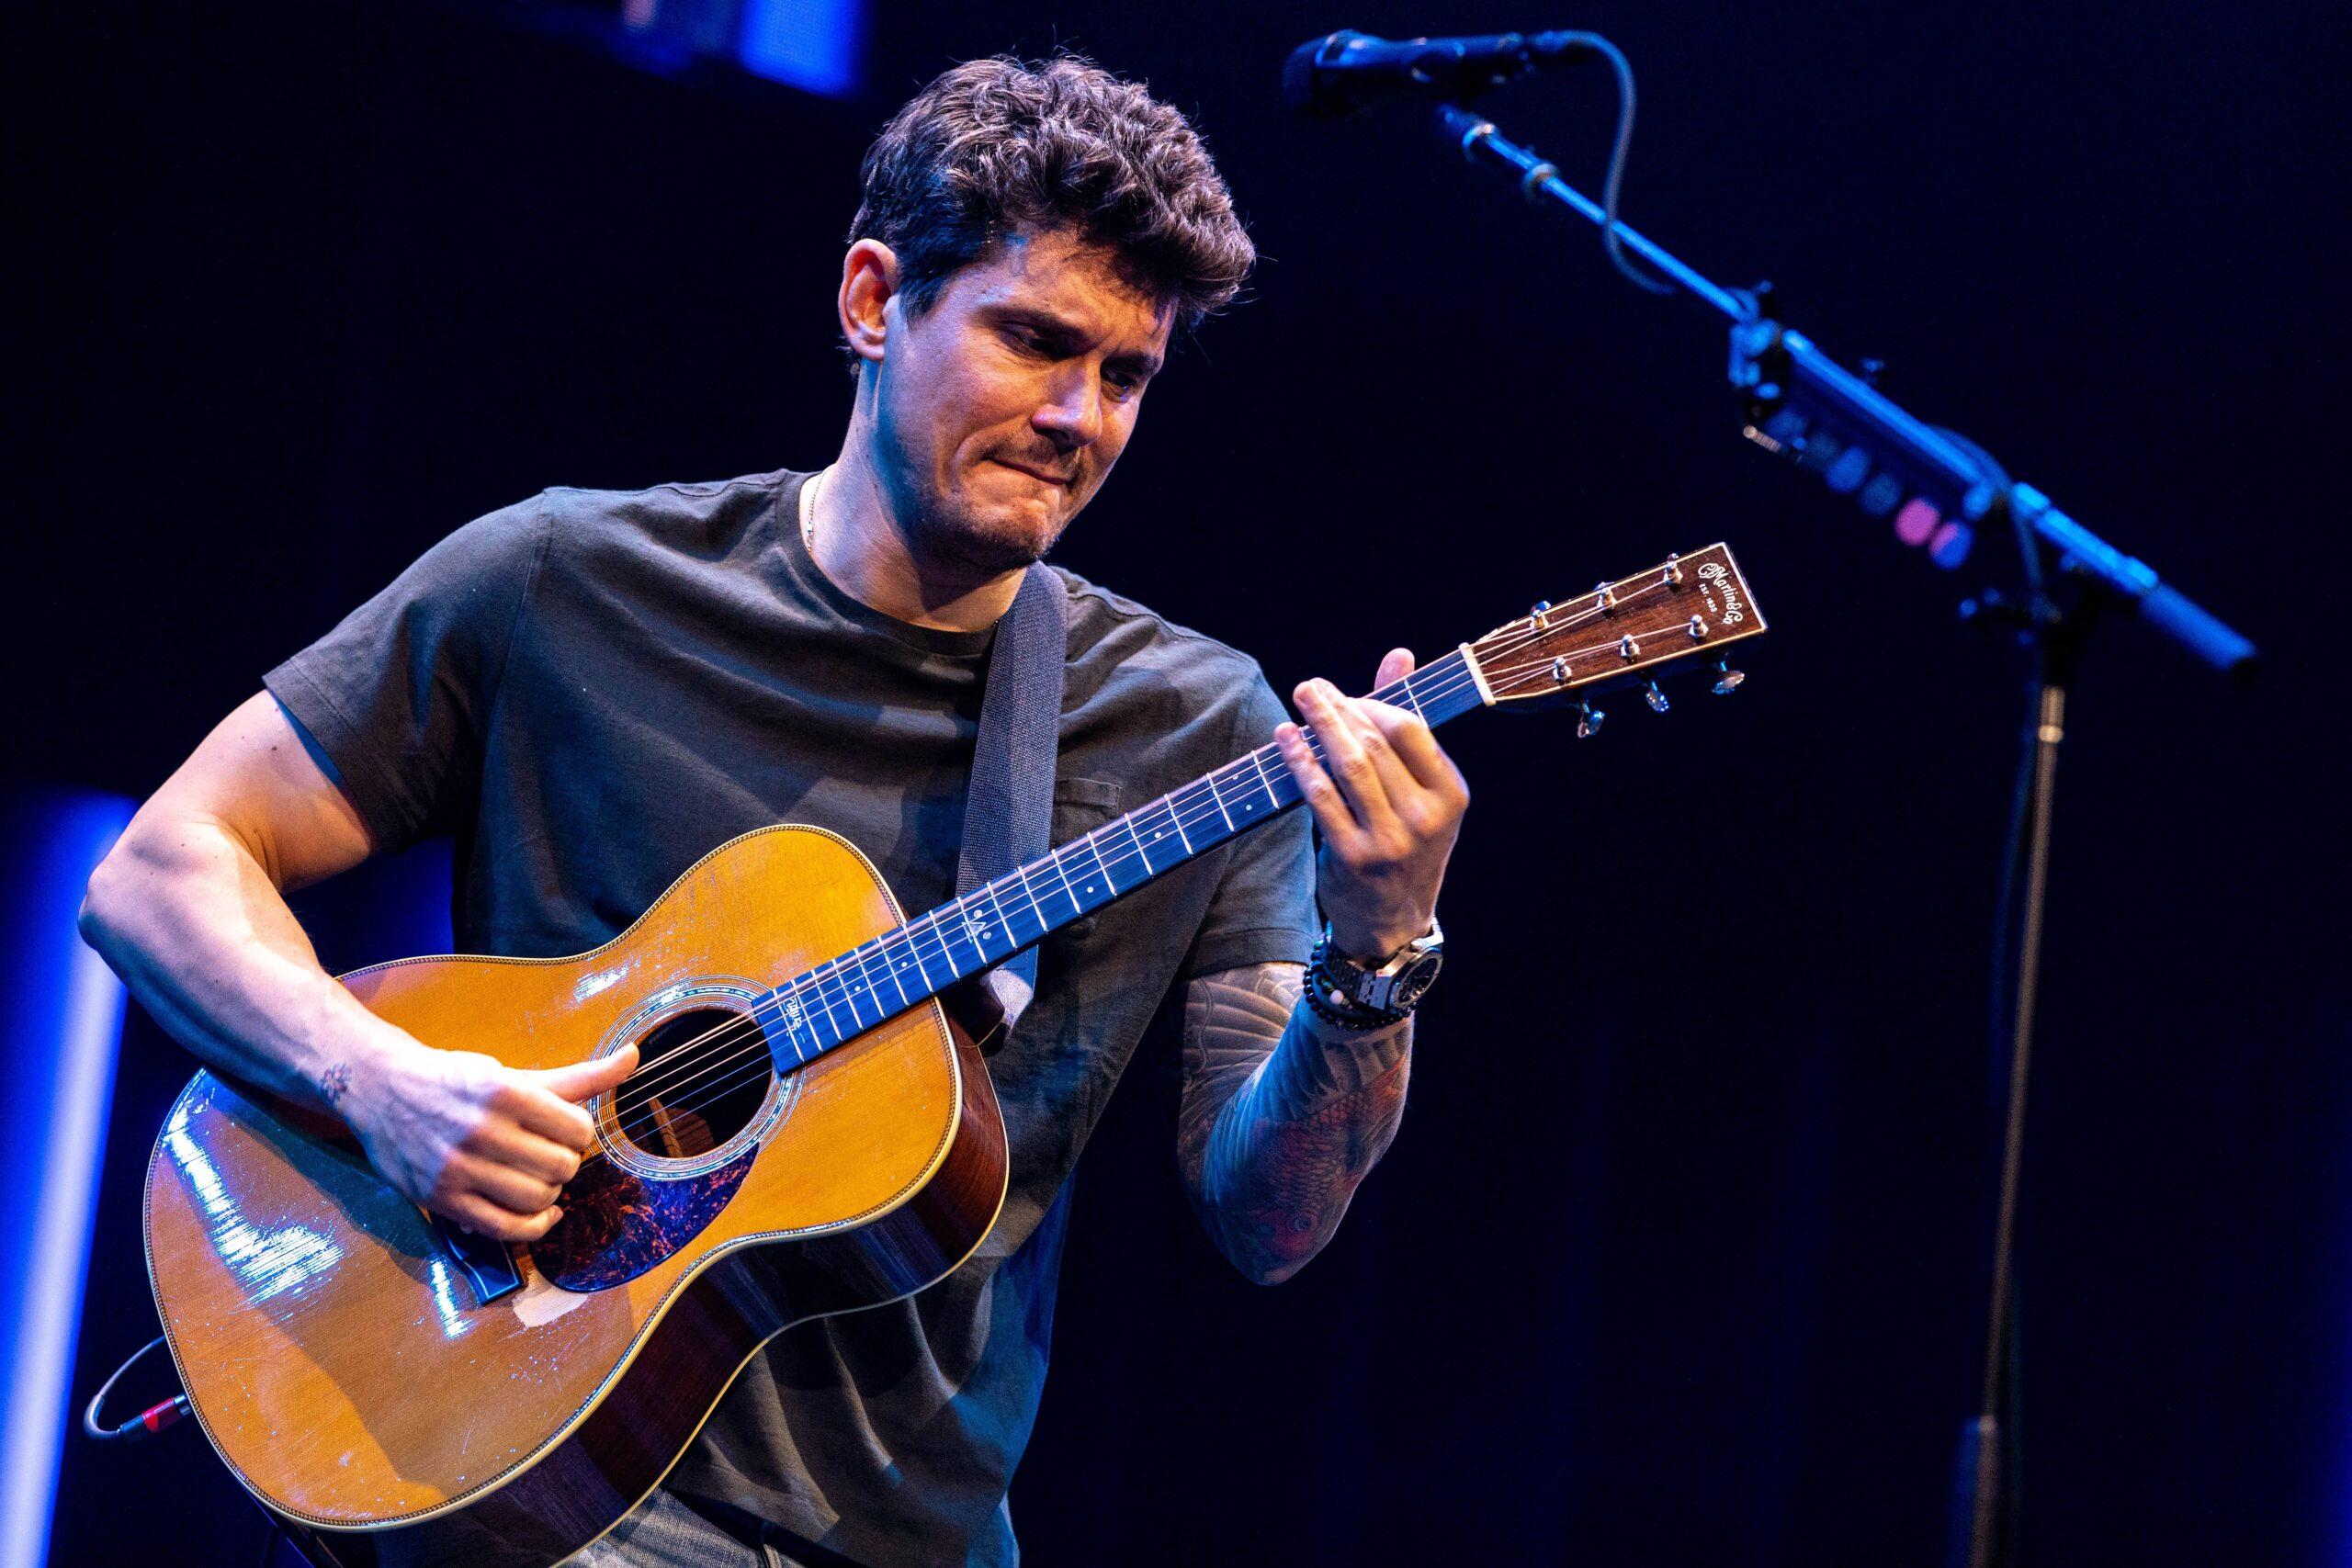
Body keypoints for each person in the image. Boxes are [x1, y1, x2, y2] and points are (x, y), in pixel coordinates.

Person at [80, 54, 1468, 1567]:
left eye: (1125, 375)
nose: (1079, 418)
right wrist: (384, 1087)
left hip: (890, 1536)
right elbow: (160, 873)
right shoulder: (566, 581)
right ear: (875, 301)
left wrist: (1376, 953)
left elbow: (1273, 1224)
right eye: (1032, 342)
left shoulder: (1201, 727)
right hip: (497, 1479)